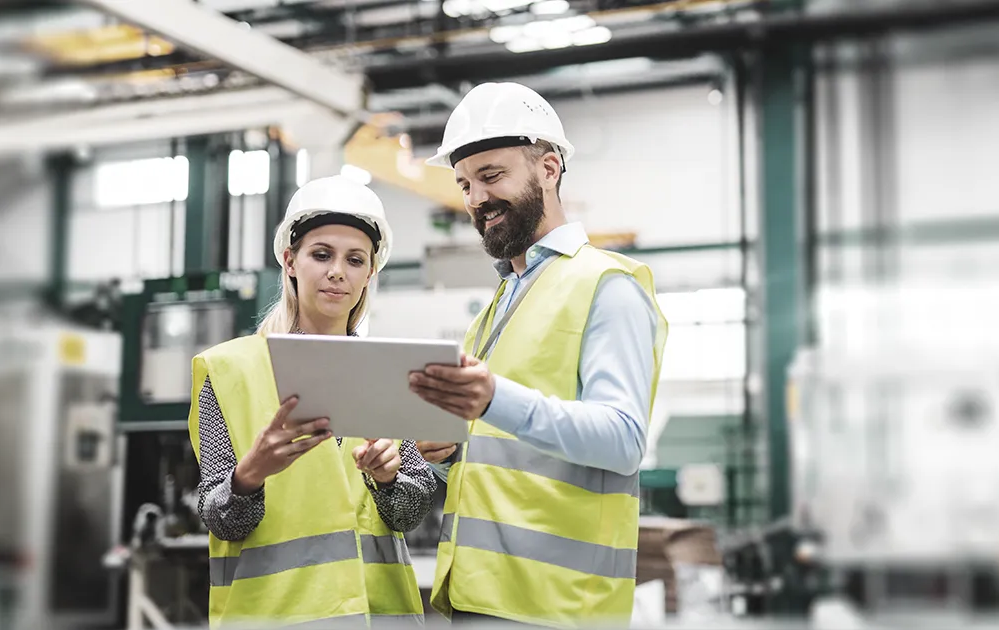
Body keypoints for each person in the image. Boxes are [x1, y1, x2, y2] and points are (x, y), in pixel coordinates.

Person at [409, 82, 669, 627]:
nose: (476, 199)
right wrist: (453, 450)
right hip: (480, 596)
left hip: (559, 606)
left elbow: (622, 440)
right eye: (464, 184)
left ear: (548, 169)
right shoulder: (498, 306)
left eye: (492, 175)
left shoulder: (608, 284)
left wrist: (491, 400)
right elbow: (514, 447)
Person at [188, 175, 436, 628]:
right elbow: (222, 521)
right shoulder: (231, 372)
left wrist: (389, 479)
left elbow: (411, 512)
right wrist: (248, 476)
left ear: (369, 273)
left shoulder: (391, 371)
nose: (337, 271)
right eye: (321, 255)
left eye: (354, 259)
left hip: (377, 616)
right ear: (290, 261)